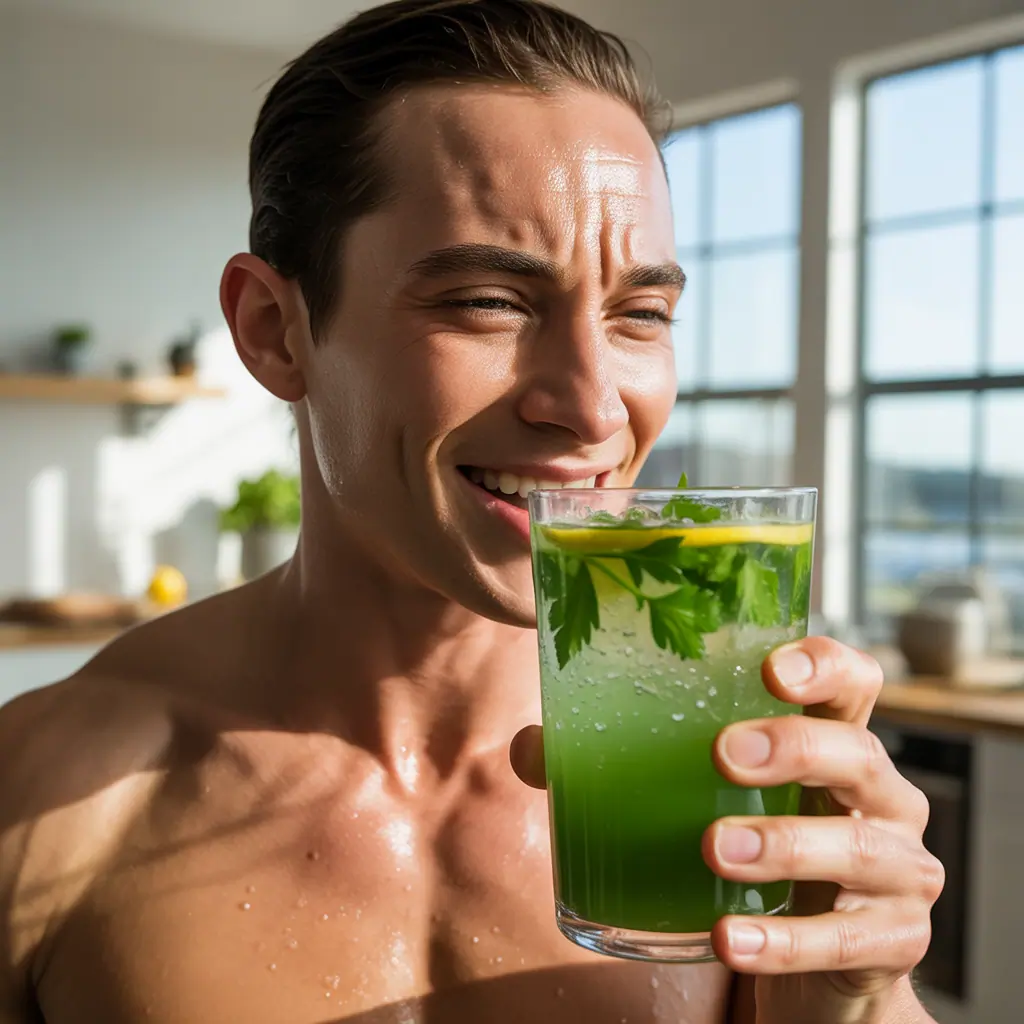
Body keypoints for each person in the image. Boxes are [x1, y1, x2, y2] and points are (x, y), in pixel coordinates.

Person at [0, 1, 943, 1021]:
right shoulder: (45, 798)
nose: (589, 404)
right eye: (490, 300)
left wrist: (857, 1001)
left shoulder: (740, 806)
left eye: (641, 315)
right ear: (275, 330)